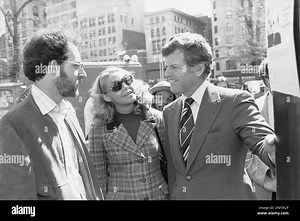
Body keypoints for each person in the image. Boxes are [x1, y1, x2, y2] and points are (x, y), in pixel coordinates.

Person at [161, 32, 277, 200]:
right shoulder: (169, 111)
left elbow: (260, 141)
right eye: (166, 67)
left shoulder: (235, 101)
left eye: (174, 67)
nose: (166, 75)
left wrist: (272, 150)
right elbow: (174, 170)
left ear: (198, 68)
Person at [0, 29, 103, 200]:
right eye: (76, 66)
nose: (83, 74)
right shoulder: (12, 126)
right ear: (53, 67)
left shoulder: (68, 112)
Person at [88, 66, 168, 200]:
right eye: (117, 85)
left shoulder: (157, 118)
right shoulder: (99, 129)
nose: (126, 87)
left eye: (127, 80)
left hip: (158, 196)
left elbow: (171, 164)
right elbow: (98, 177)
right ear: (106, 97)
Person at [245, 58, 276, 200]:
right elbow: (246, 153)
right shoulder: (253, 108)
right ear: (266, 80)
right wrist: (266, 179)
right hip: (265, 190)